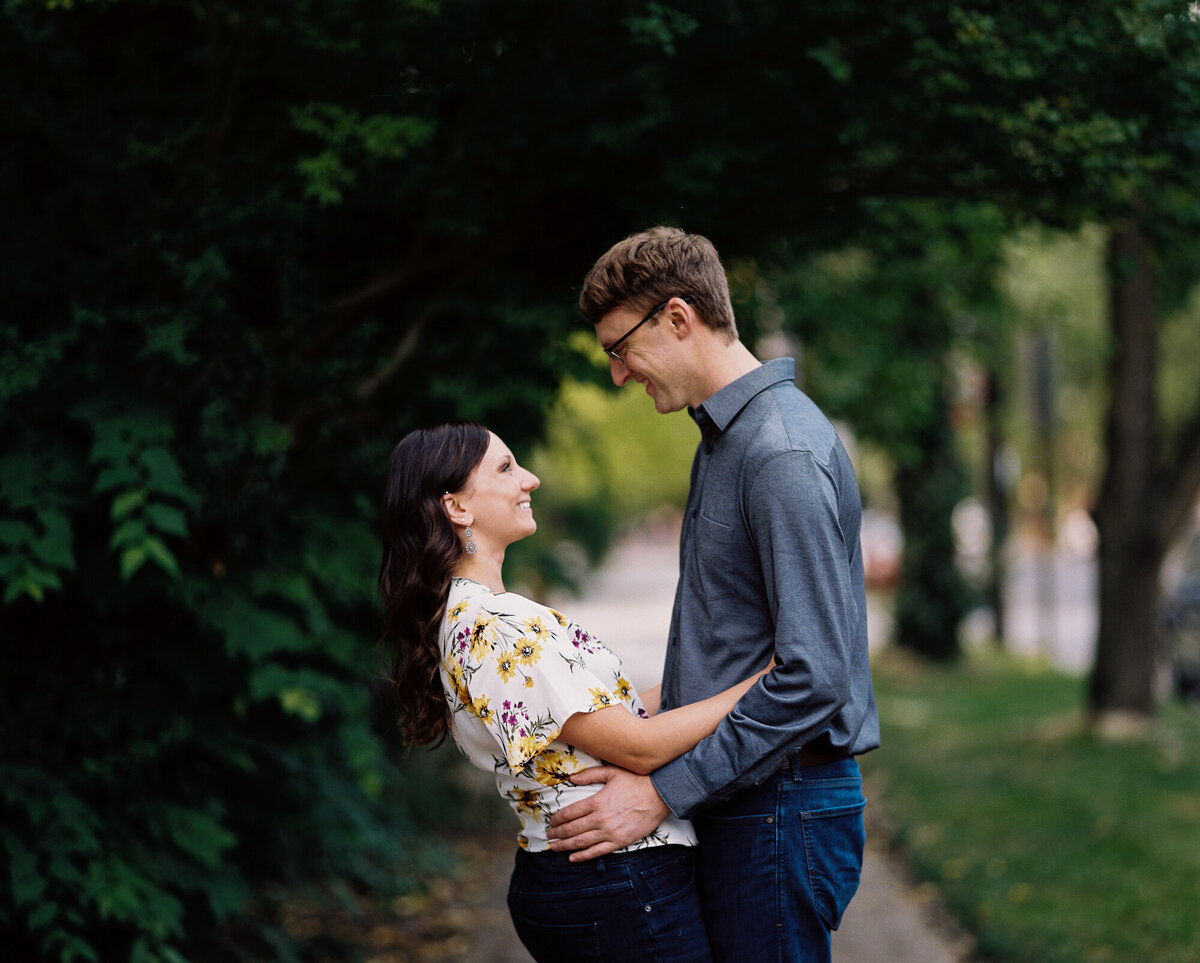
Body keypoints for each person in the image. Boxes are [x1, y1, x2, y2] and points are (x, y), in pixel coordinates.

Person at [545, 227, 881, 962]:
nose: (618, 375)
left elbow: (814, 675)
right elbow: (738, 644)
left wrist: (663, 792)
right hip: (753, 803)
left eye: (618, 347)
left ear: (676, 317)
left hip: (780, 809)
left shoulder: (780, 452)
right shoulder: (728, 440)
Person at [378, 421, 771, 963]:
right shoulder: (497, 626)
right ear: (457, 508)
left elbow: (616, 716)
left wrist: (735, 675)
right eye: (506, 468)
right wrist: (769, 679)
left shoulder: (468, 616)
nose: (531, 479)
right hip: (614, 878)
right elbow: (640, 745)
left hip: (589, 876)